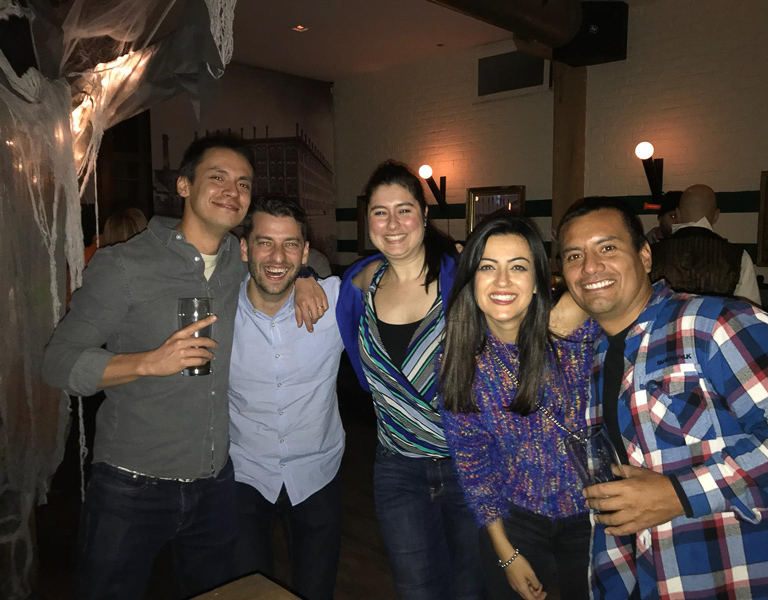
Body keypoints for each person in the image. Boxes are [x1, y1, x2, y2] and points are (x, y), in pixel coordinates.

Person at [41, 136, 325, 600]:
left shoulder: (240, 258)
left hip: (214, 484)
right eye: (217, 177)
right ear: (184, 185)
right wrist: (148, 363)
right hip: (130, 485)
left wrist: (309, 275)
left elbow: (290, 256)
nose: (232, 191)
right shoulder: (125, 265)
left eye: (243, 183)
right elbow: (57, 361)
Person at [557, 197, 768, 599]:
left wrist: (679, 494)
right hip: (631, 577)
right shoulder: (590, 359)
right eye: (574, 255)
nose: (589, 267)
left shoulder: (715, 325)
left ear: (645, 255)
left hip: (730, 577)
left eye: (608, 247)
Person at [337, 160, 485, 599]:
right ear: (368, 222)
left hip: (468, 464)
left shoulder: (461, 280)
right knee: (417, 590)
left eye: (404, 209)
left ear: (424, 215)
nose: (393, 223)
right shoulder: (358, 285)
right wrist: (307, 276)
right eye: (380, 212)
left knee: (472, 588)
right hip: (397, 468)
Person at [439, 215, 599, 600]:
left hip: (595, 515)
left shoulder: (580, 335)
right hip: (516, 518)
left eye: (518, 267)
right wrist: (506, 554)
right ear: (470, 279)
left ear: (538, 280)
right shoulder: (459, 358)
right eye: (487, 267)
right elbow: (473, 463)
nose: (503, 282)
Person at [229, 196, 344, 600]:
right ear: (244, 248)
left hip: (317, 475)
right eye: (264, 242)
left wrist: (310, 276)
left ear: (306, 252)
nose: (277, 256)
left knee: (317, 592)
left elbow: (385, 279)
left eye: (291, 244)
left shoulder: (333, 301)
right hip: (244, 475)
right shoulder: (219, 312)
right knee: (247, 593)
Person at [650, 184, 761, 304]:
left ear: (679, 213)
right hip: (717, 323)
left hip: (665, 322)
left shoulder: (651, 254)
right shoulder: (738, 257)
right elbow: (751, 311)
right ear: (716, 215)